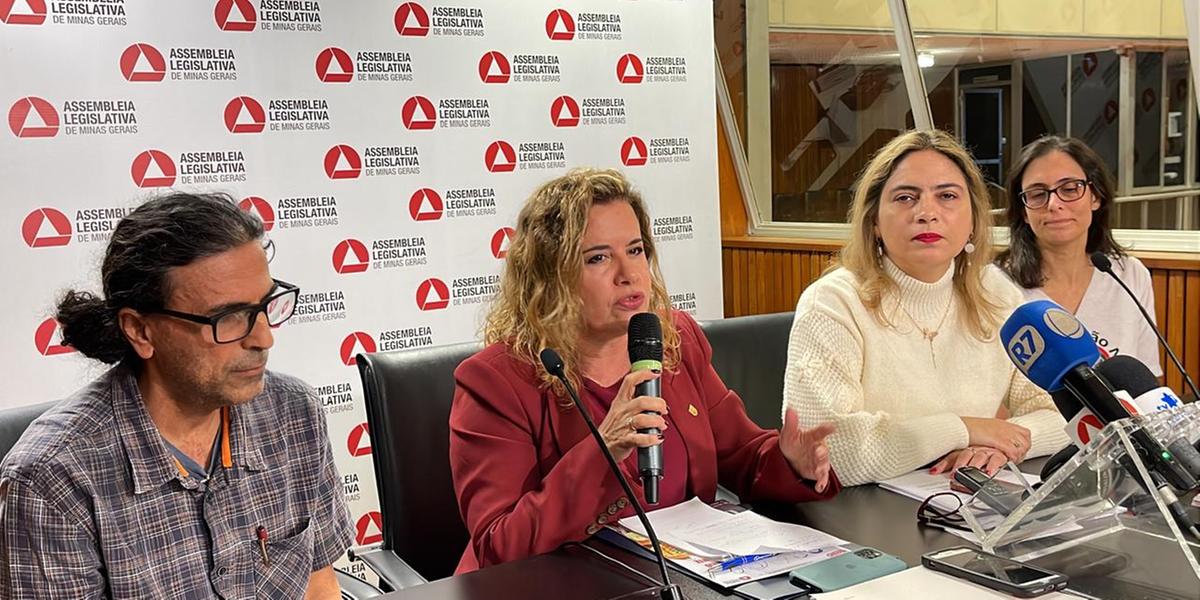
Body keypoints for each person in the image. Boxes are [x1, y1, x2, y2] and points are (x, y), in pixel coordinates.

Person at [450, 168, 840, 573]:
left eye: (635, 250)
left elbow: (741, 453)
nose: (629, 274)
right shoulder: (495, 381)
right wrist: (604, 452)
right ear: (551, 276)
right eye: (598, 258)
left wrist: (791, 460)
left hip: (679, 578)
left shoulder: (675, 340)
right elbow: (500, 544)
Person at [0, 193, 352, 598]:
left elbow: (318, 583)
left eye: (264, 306)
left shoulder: (295, 413)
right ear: (140, 331)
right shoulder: (53, 481)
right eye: (227, 317)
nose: (263, 337)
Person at [782, 130, 1069, 487]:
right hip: (864, 515)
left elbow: (1065, 416)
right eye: (905, 197)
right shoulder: (832, 302)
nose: (926, 213)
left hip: (967, 502)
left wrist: (1003, 445)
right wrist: (964, 429)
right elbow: (828, 451)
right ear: (874, 222)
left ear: (973, 221)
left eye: (947, 196)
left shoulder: (996, 294)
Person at [997, 135, 1162, 376]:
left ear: (1095, 196)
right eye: (1037, 194)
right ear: (1023, 211)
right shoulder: (995, 284)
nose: (1053, 203)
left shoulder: (1129, 274)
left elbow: (1146, 380)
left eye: (1070, 189)